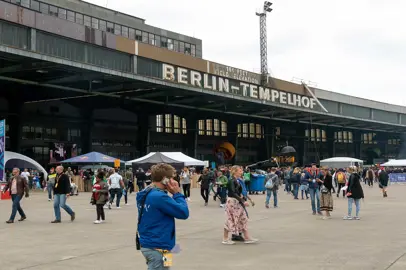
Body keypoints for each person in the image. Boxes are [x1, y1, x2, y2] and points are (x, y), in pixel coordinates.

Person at [136, 163, 189, 269]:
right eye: (172, 178)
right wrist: (177, 194)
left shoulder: (146, 192)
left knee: (166, 268)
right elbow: (183, 213)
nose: (174, 181)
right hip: (158, 247)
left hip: (160, 245)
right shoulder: (160, 197)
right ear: (165, 179)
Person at [223, 165, 257, 245]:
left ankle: (247, 237)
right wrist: (242, 200)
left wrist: (245, 199)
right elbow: (232, 192)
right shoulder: (231, 180)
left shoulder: (238, 180)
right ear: (235, 172)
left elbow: (239, 192)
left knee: (243, 218)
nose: (242, 172)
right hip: (232, 202)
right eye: (240, 171)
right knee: (230, 219)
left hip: (238, 202)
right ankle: (225, 238)